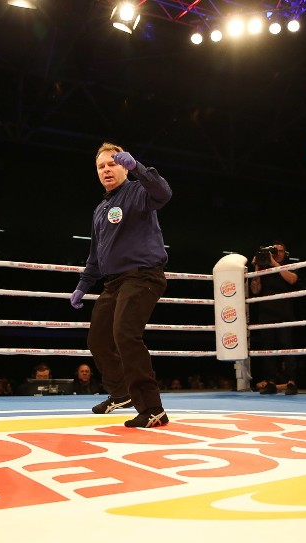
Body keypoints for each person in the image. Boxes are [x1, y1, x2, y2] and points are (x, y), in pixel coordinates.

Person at [69, 142, 171, 428]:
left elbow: (164, 193)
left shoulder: (138, 192)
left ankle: (153, 408)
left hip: (143, 276)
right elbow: (95, 255)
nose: (106, 170)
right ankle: (121, 392)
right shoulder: (101, 209)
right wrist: (83, 285)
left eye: (111, 164)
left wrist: (138, 167)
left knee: (125, 334)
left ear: (123, 166)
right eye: (101, 167)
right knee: (98, 339)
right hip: (113, 283)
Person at [249, 241, 299, 387]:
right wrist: (256, 268)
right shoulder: (264, 268)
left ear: (285, 253)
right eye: (274, 251)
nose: (277, 253)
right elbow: (255, 290)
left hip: (285, 314)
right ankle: (270, 380)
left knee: (287, 346)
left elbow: (292, 279)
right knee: (267, 348)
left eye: (280, 251)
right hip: (266, 313)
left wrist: (273, 263)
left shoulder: (290, 265)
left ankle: (291, 380)